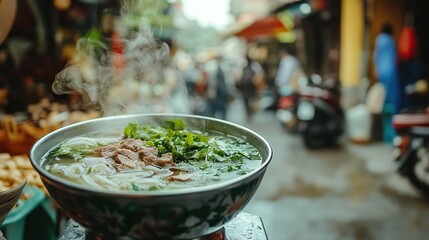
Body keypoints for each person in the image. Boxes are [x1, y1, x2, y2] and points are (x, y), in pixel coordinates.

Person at [373, 22, 401, 143]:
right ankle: (392, 133)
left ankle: (386, 135)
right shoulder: (391, 40)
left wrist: (377, 71)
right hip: (391, 73)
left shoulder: (379, 39)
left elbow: (376, 57)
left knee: (383, 102)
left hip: (382, 73)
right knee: (393, 102)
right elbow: (396, 58)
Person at [236, 55, 264, 120]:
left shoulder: (251, 67)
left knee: (248, 101)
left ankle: (249, 113)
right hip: (248, 88)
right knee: (248, 101)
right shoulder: (251, 67)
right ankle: (249, 113)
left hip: (248, 88)